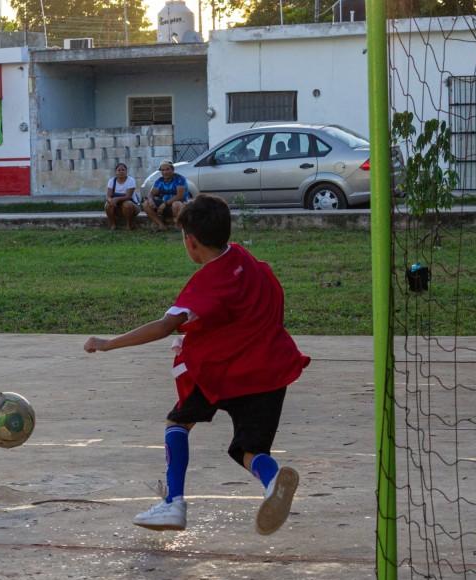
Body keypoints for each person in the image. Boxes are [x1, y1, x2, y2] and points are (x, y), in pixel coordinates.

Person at [83, 194, 310, 535]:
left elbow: (165, 326)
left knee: (178, 422)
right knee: (249, 450)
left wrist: (108, 343)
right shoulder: (246, 260)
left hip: (223, 372)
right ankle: (273, 479)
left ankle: (173, 503)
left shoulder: (207, 282)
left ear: (190, 242)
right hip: (270, 371)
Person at [144, 160, 191, 230]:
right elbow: (151, 194)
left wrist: (164, 204)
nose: (165, 172)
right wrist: (150, 200)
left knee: (176, 204)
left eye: (167, 169)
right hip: (165, 206)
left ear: (172, 169)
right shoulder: (160, 181)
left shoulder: (180, 179)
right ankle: (161, 225)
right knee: (146, 204)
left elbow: (180, 196)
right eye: (163, 170)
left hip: (180, 206)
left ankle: (177, 225)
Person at [104, 162, 140, 230]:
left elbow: (128, 196)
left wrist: (117, 199)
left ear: (126, 171)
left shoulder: (130, 180)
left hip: (132, 207)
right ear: (115, 172)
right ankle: (113, 226)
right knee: (107, 205)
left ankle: (128, 226)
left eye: (123, 170)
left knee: (127, 204)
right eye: (119, 170)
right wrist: (110, 200)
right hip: (117, 207)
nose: (121, 172)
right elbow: (108, 196)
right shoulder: (112, 181)